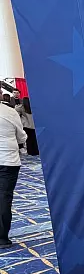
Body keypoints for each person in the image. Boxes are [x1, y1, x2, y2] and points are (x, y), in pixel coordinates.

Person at [0, 99, 27, 249]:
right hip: (7, 160)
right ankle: (2, 237)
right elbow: (21, 137)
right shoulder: (10, 112)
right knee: (4, 197)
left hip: (7, 159)